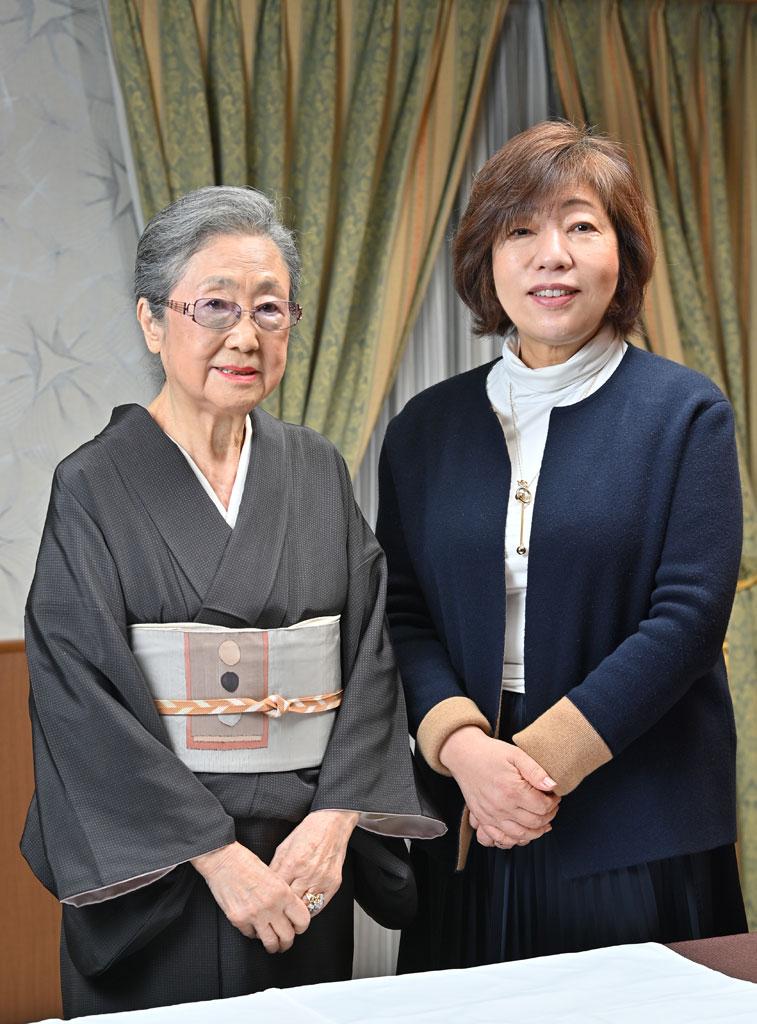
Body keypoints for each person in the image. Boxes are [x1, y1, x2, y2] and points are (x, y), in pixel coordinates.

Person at [22, 185, 443, 1017]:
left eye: (270, 309)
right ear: (152, 320)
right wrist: (215, 856)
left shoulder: (315, 468)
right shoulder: (93, 487)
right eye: (214, 305)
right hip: (168, 878)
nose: (245, 335)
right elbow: (79, 701)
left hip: (302, 863)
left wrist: (335, 822)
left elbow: (370, 662)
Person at [376, 120, 747, 972]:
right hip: (468, 810)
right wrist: (466, 754)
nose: (552, 254)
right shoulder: (425, 429)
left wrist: (530, 773)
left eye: (581, 225)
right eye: (520, 229)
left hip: (634, 810)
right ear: (485, 259)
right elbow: (399, 612)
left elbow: (688, 617)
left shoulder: (684, 412)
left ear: (622, 252)